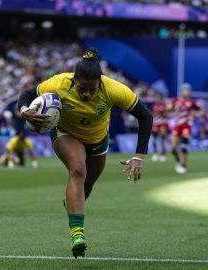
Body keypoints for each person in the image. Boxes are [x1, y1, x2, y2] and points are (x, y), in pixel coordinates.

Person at [17, 48, 152, 258]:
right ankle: (77, 235)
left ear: (100, 82)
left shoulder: (114, 89)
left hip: (98, 139)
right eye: (81, 89)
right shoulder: (59, 83)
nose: (86, 94)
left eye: (91, 89)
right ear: (74, 80)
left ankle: (71, 203)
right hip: (66, 133)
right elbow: (27, 94)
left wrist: (139, 156)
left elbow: (145, 116)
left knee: (87, 185)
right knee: (78, 171)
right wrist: (24, 110)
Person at [167, 83, 201, 174]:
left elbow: (201, 112)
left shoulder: (192, 102)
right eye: (185, 90)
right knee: (173, 148)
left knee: (183, 146)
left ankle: (184, 165)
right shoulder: (175, 100)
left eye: (188, 90)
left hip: (187, 125)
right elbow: (167, 109)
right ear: (181, 91)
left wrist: (194, 116)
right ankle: (178, 161)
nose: (186, 92)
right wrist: (169, 108)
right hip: (177, 125)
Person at [151, 93, 169, 162]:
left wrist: (163, 113)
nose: (157, 100)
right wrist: (154, 114)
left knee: (162, 138)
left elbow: (167, 114)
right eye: (156, 98)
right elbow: (151, 113)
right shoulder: (154, 106)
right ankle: (155, 153)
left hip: (162, 123)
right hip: (155, 124)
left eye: (158, 98)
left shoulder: (164, 106)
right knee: (154, 139)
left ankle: (163, 154)